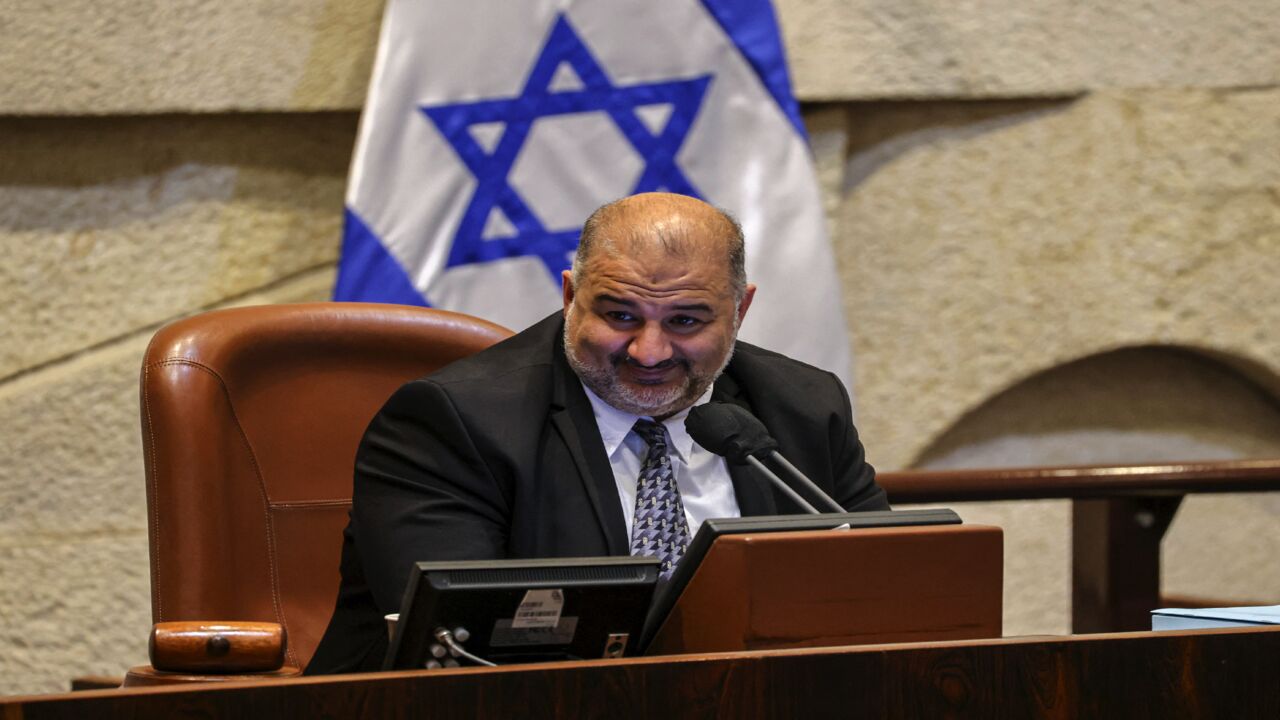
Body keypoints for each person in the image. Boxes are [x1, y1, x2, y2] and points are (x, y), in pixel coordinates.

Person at [306, 192, 888, 674]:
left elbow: (887, 597)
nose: (649, 351)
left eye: (686, 321)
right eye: (620, 315)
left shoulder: (803, 409)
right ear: (569, 297)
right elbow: (462, 648)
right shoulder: (453, 422)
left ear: (739, 311)